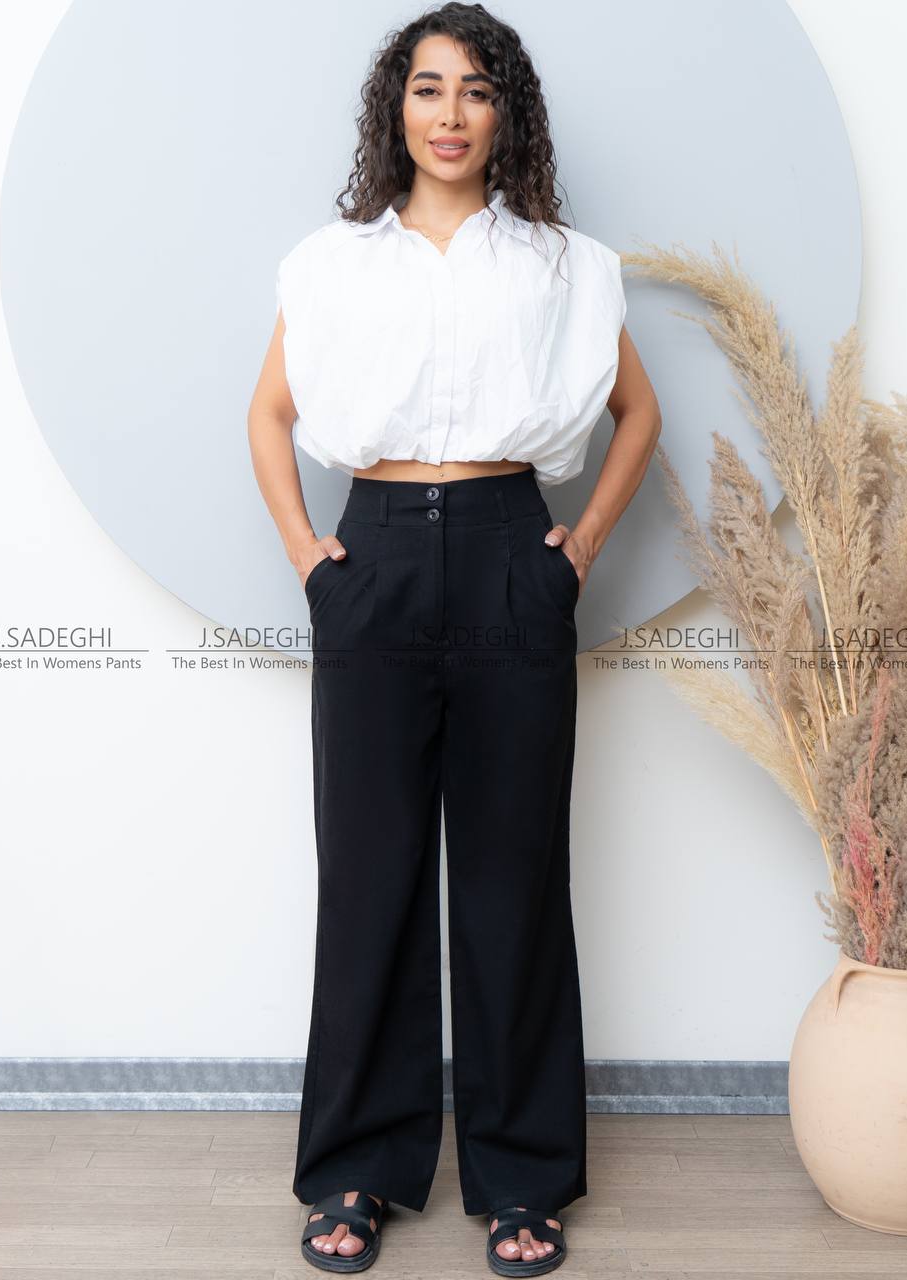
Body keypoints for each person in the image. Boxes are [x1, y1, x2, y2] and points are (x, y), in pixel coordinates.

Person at [247, 3, 661, 1273]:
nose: (449, 112)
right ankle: (357, 1168)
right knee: (367, 877)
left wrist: (576, 549)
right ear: (397, 107)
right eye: (427, 87)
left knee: (511, 878)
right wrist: (310, 558)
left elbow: (637, 413)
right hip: (370, 557)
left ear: (504, 115)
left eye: (476, 90)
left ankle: (521, 1177)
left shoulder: (559, 264)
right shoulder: (333, 262)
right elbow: (268, 414)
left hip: (505, 553)